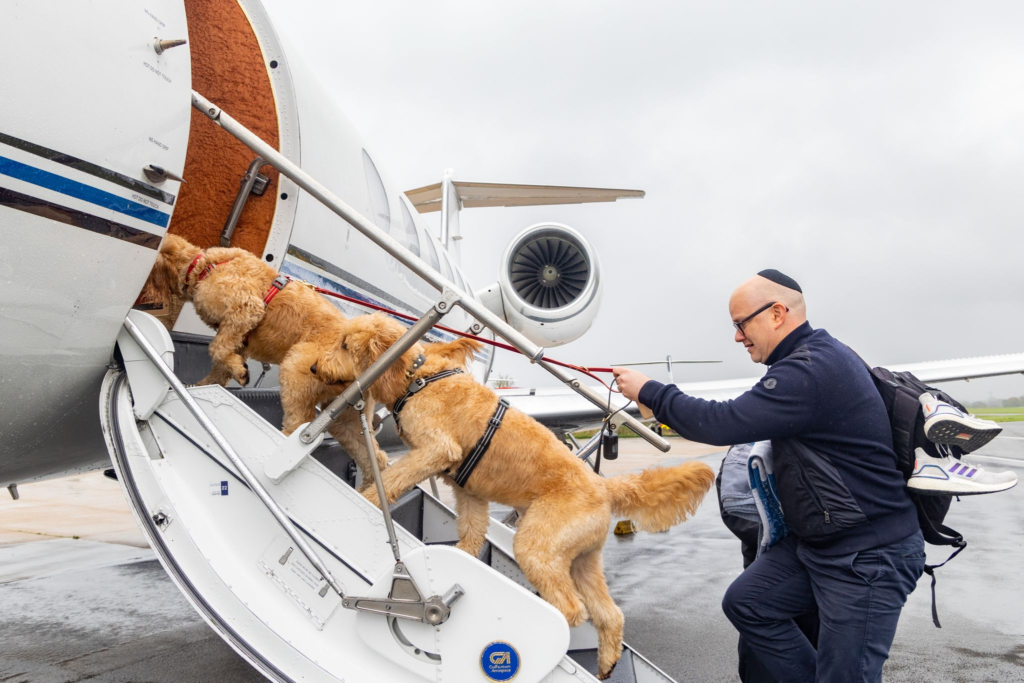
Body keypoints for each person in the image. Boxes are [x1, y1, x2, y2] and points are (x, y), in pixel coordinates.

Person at [614, 269, 925, 683]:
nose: (738, 337)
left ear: (777, 313)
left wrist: (650, 390)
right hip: (821, 547)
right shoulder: (815, 358)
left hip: (867, 556)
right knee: (749, 603)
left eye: (741, 324)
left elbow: (720, 423)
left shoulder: (810, 370)